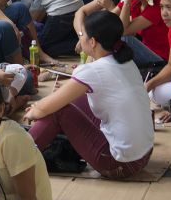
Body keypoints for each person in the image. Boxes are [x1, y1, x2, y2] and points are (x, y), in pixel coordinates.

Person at [27, 11, 154, 180]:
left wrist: (35, 110)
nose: (80, 38)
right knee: (73, 98)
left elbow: (43, 109)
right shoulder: (125, 61)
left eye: (81, 35)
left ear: (93, 42)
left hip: (118, 164)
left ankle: (17, 157)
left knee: (57, 111)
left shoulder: (94, 70)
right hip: (142, 155)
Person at [119, 0, 170, 66]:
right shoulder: (137, 0)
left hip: (161, 59)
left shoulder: (159, 6)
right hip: (145, 48)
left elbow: (124, 31)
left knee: (124, 39)